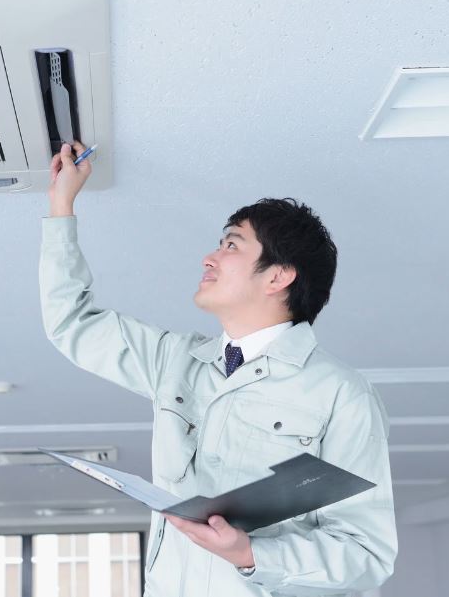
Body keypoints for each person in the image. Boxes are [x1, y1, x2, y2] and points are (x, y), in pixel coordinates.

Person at [39, 142, 397, 597]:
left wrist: (248, 554)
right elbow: (72, 325)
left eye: (231, 245)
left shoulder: (341, 394)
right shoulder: (176, 359)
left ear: (277, 277)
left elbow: (366, 556)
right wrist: (60, 206)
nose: (209, 257)